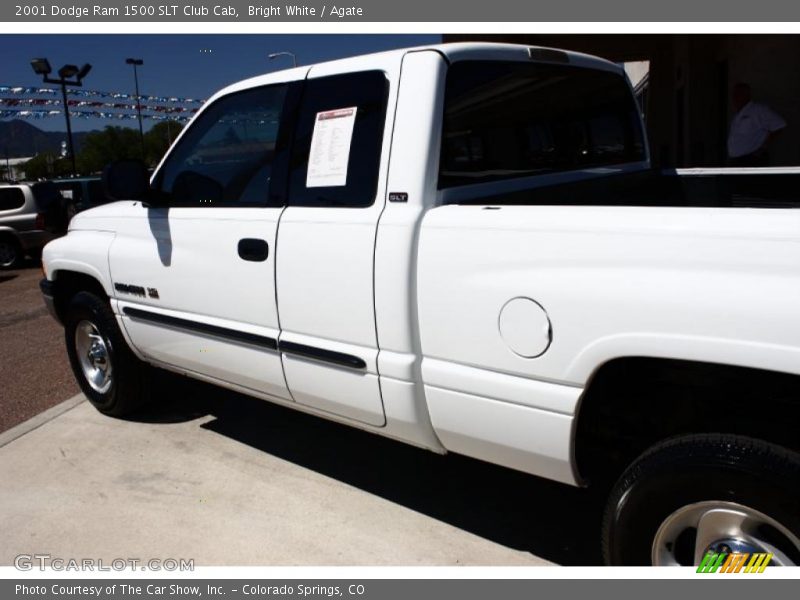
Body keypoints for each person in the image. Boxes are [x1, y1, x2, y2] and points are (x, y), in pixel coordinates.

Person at [727, 83, 787, 167]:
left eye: (738, 94)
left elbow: (779, 125)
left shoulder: (758, 110)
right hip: (736, 160)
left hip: (751, 160)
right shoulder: (737, 115)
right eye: (734, 95)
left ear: (747, 95)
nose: (735, 98)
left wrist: (762, 148)